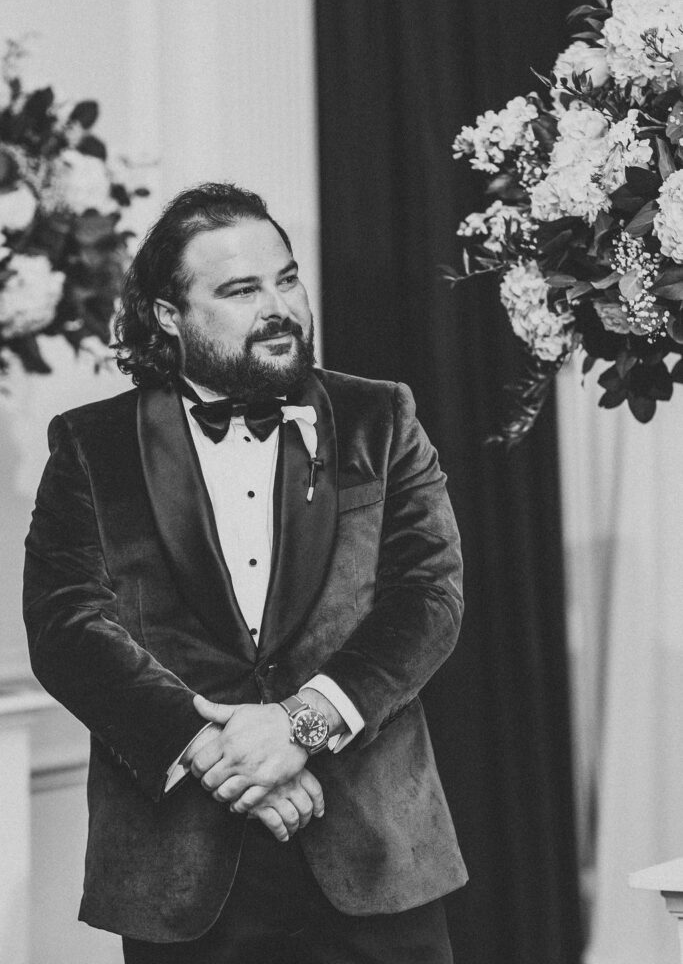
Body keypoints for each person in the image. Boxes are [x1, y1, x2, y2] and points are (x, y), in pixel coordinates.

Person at [23, 182, 467, 964]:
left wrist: (302, 723)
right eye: (240, 290)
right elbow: (67, 628)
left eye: (286, 279)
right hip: (182, 872)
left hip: (374, 849)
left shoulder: (381, 417)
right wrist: (212, 747)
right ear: (170, 315)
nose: (280, 307)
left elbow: (427, 598)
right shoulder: (93, 446)